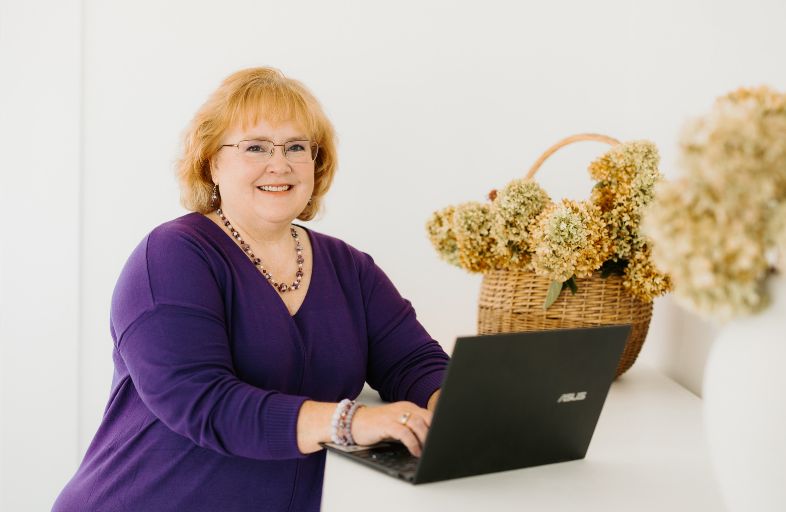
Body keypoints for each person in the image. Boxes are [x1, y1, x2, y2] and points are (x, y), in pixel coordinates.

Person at [52, 67, 449, 512]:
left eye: (296, 147)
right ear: (211, 162)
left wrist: (453, 409)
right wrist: (350, 421)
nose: (279, 164)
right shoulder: (172, 256)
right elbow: (201, 401)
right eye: (255, 146)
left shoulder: (349, 267)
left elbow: (413, 362)